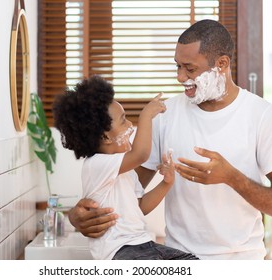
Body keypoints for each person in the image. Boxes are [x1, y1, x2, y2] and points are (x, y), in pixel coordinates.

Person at [67, 19, 272, 260]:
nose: (180, 77)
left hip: (241, 263)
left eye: (190, 68)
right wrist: (77, 216)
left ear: (221, 64)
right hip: (178, 261)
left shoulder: (264, 117)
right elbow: (127, 193)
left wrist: (232, 178)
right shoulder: (165, 115)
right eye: (177, 66)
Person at [53, 75, 199, 260]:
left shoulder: (125, 170)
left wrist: (166, 183)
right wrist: (146, 116)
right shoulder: (96, 165)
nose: (130, 125)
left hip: (143, 244)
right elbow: (140, 154)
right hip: (120, 251)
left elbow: (141, 207)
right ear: (106, 137)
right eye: (123, 121)